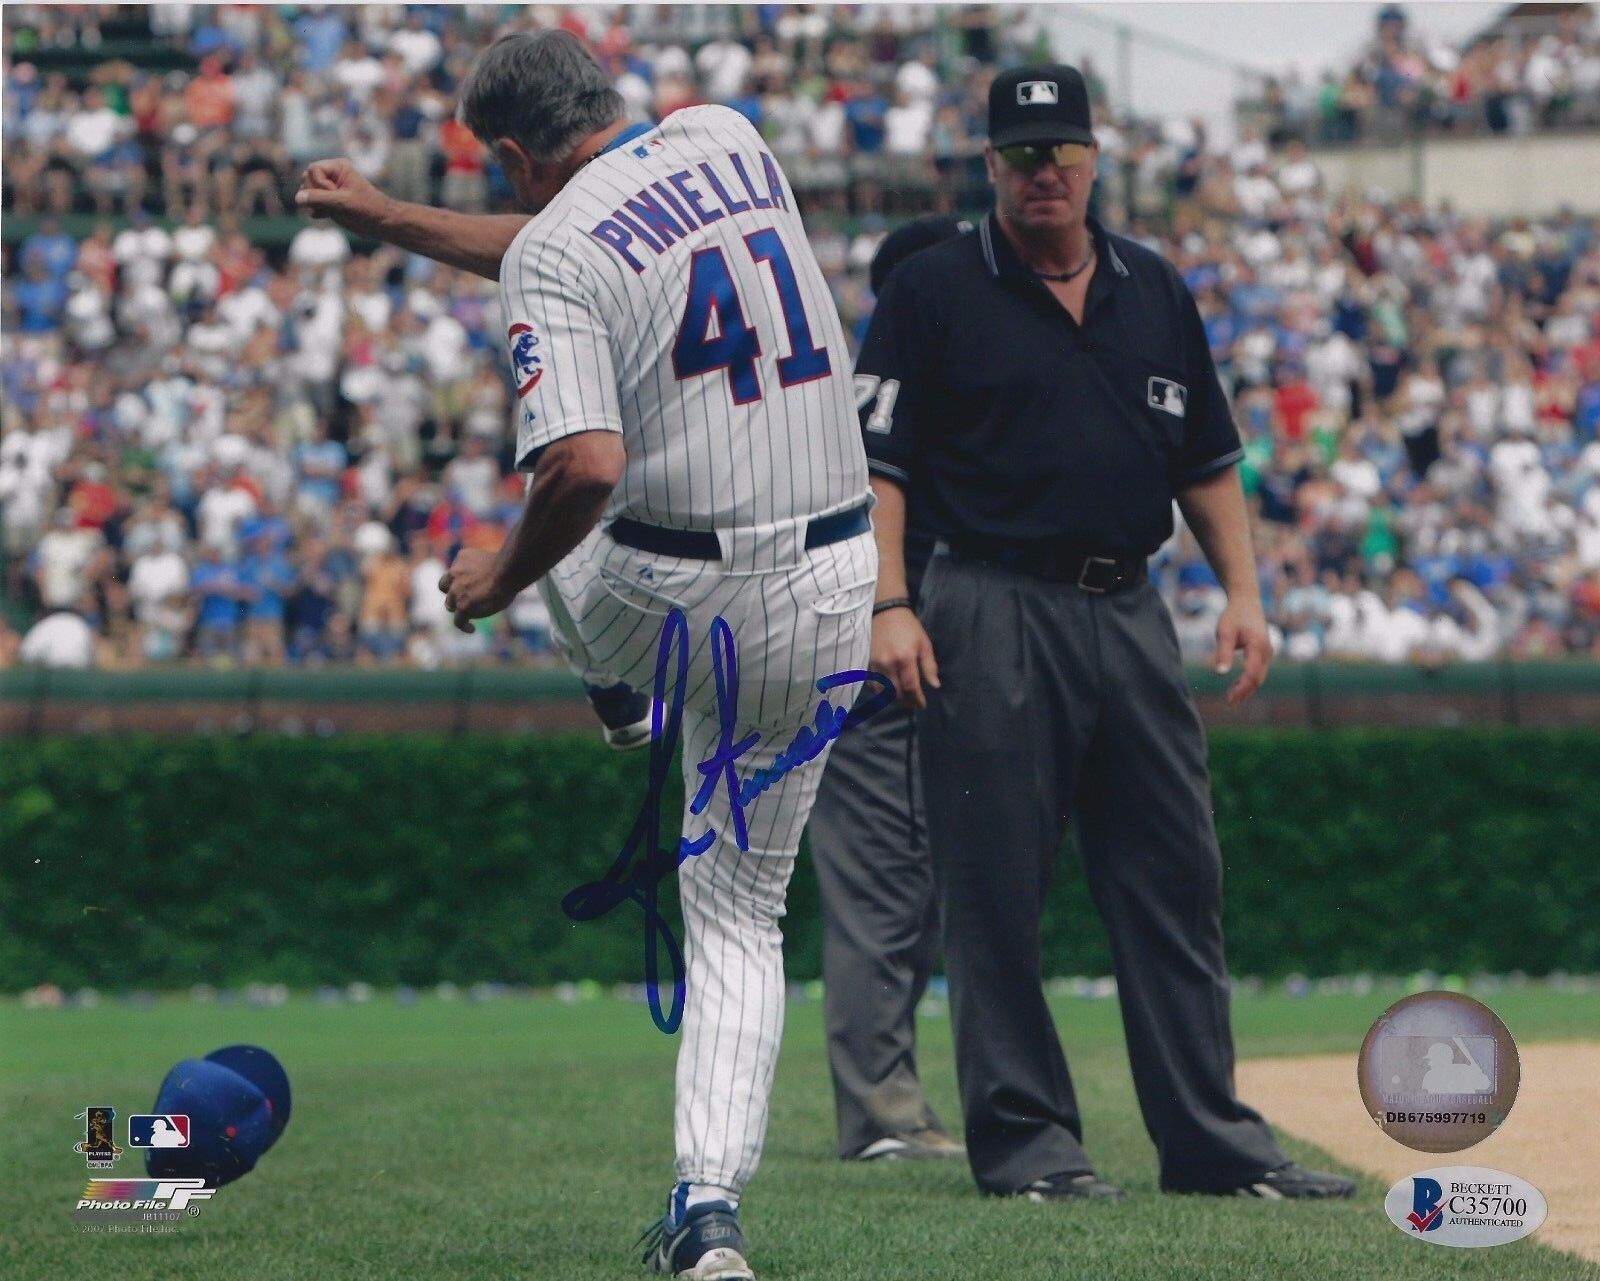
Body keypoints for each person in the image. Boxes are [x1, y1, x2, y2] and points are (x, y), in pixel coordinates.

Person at [297, 31, 877, 1281]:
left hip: (681, 596)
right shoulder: (728, 132)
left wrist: (498, 582)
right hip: (838, 579)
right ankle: (708, 1212)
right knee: (739, 911)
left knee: (549, 526)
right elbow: (586, 239)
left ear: (510, 154)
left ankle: (620, 699)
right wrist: (397, 217)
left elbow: (584, 461)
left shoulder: (556, 241)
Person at [858, 64, 1357, 1203]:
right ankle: (1031, 1150)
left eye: (1063, 152)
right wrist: (889, 603)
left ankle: (1212, 1146)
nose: (1045, 172)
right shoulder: (931, 289)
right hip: (983, 600)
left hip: (1130, 605)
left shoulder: (1151, 286)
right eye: (1022, 155)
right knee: (993, 892)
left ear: (1093, 160)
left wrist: (1243, 591)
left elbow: (1208, 460)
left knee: (1175, 879)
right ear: (988, 166)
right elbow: (875, 468)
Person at [807, 215, 973, 1164]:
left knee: (926, 890)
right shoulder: (867, 394)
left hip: (932, 636)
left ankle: (898, 1102)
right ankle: (880, 1113)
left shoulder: (918, 384)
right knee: (885, 888)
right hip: (868, 654)